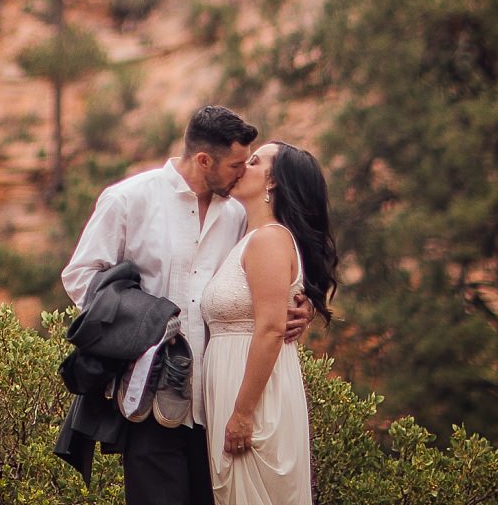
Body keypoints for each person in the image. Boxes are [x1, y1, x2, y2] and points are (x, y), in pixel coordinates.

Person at [62, 106, 312, 505]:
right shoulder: (128, 199)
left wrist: (300, 305)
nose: (242, 172)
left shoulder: (236, 213)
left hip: (218, 402)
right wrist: (138, 328)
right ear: (203, 160)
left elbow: (260, 277)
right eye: (235, 164)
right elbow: (80, 276)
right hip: (151, 394)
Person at [200, 141, 339, 505]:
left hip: (254, 400)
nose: (242, 165)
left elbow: (271, 328)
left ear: (274, 182)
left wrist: (244, 413)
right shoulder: (248, 237)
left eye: (255, 161)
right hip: (233, 391)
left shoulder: (270, 240)